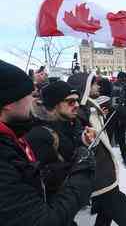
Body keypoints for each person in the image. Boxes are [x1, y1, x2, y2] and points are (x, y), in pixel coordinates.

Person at [0, 60, 95, 226]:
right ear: (8, 103)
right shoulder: (36, 134)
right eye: (29, 94)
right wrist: (82, 170)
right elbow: (43, 218)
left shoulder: (18, 133)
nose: (34, 99)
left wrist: (81, 142)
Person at [68, 72, 126, 226]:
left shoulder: (89, 106)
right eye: (94, 83)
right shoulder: (80, 112)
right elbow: (81, 137)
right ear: (84, 88)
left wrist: (99, 114)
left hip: (101, 166)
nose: (98, 86)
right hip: (97, 169)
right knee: (116, 201)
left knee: (107, 207)